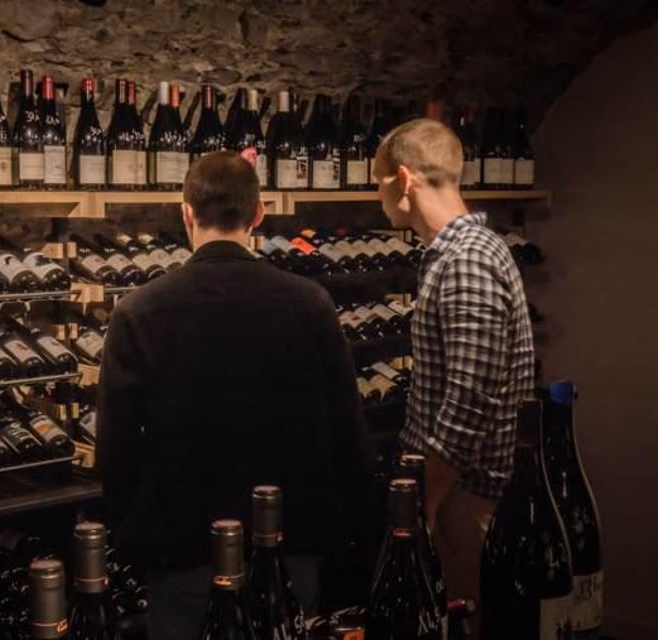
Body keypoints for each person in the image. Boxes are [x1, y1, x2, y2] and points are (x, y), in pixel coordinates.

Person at [97, 151, 374, 640]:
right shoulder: (311, 303)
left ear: (186, 212)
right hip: (289, 543)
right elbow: (347, 433)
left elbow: (115, 449)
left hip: (182, 548)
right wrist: (345, 534)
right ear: (258, 213)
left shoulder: (138, 311)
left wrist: (136, 535)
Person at [372, 119, 535, 638]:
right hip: (460, 489)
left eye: (378, 183)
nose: (378, 198)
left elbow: (470, 395)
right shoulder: (464, 252)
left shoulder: (466, 260)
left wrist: (428, 497)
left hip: (466, 495)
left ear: (404, 179)